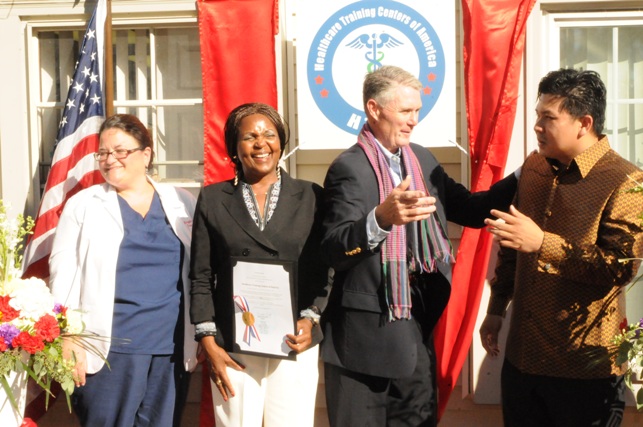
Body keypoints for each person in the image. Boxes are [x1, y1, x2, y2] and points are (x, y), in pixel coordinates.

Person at [319, 65, 518, 426]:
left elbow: (470, 209)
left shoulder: (422, 160)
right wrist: (380, 219)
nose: (414, 120)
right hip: (362, 344)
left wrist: (524, 174)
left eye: (417, 111)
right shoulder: (349, 168)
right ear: (374, 109)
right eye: (405, 111)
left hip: (415, 332)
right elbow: (334, 249)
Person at [480, 68, 643, 426]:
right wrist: (496, 308)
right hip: (522, 362)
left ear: (584, 123)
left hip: (585, 371)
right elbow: (512, 248)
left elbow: (619, 266)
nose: (537, 126)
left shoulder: (626, 180)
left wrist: (543, 243)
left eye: (548, 118)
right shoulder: (534, 167)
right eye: (537, 115)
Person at [49, 114, 198, 427]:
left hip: (170, 348)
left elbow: (199, 270)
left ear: (146, 154)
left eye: (120, 151)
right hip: (108, 351)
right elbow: (63, 275)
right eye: (103, 153)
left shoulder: (182, 202)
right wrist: (67, 336)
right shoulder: (83, 205)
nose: (109, 159)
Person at [189, 102, 328, 427]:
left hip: (293, 339)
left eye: (269, 134)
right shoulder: (213, 199)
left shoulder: (312, 196)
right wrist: (208, 342)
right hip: (233, 343)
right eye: (249, 137)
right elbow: (200, 275)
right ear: (234, 148)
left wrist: (310, 318)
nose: (261, 143)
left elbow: (324, 269)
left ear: (281, 141)